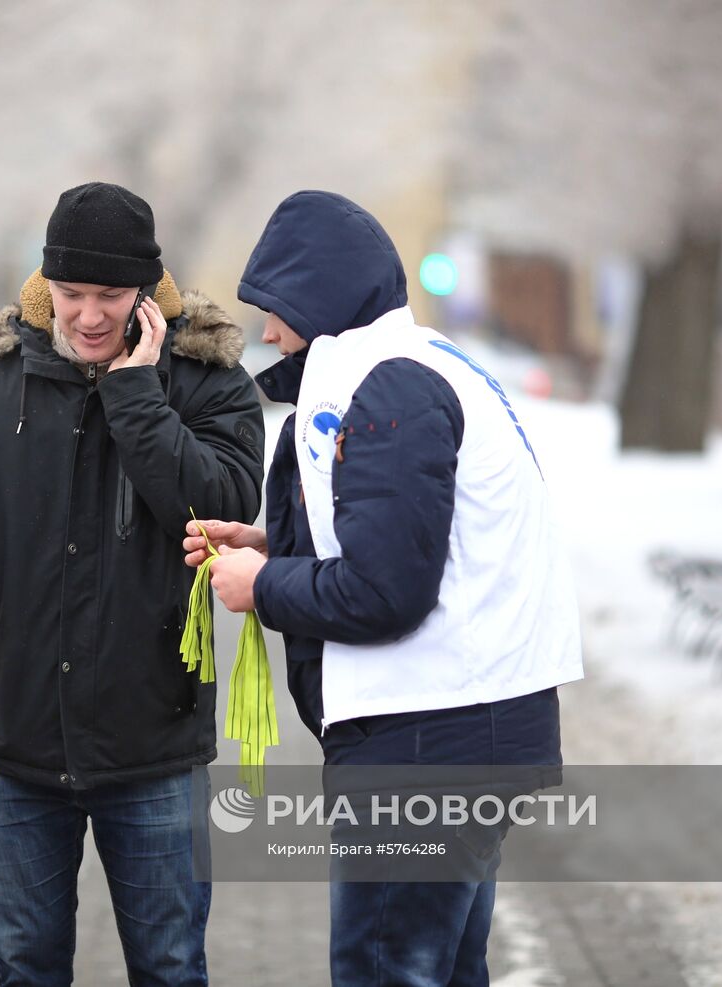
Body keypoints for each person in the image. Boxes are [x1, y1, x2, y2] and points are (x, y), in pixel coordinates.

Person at [0, 181, 265, 985]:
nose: (88, 315)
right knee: (26, 967)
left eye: (110, 295)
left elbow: (223, 504)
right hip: (13, 748)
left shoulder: (206, 379)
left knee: (170, 966)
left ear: (147, 293)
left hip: (154, 746)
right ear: (45, 284)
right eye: (71, 292)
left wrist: (134, 392)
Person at [186, 190, 584, 986]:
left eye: (278, 308)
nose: (268, 331)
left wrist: (264, 584)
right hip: (472, 730)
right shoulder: (426, 365)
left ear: (323, 298)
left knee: (385, 967)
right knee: (442, 968)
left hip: (425, 743)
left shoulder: (384, 386)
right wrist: (276, 543)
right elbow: (413, 535)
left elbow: (385, 590)